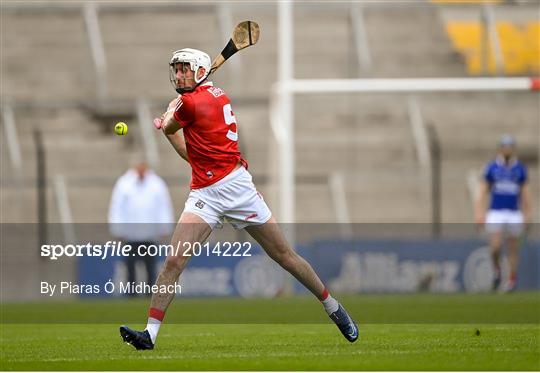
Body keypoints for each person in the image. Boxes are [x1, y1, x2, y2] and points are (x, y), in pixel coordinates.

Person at [119, 48, 358, 349]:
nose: (179, 75)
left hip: (237, 189)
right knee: (173, 261)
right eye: (176, 70)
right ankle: (150, 333)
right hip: (205, 192)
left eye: (185, 69)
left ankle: (332, 306)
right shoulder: (208, 97)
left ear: (201, 72)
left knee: (284, 256)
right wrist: (172, 123)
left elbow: (171, 125)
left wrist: (168, 120)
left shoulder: (192, 104)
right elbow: (194, 158)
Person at [108, 159, 174, 296]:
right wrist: (117, 228)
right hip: (130, 235)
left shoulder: (157, 184)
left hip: (150, 234)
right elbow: (117, 207)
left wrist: (165, 227)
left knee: (150, 266)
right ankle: (131, 294)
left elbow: (163, 207)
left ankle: (150, 294)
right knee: (130, 265)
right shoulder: (124, 183)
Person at [474, 135, 531, 292]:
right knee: (495, 247)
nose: (507, 149)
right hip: (496, 211)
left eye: (510, 146)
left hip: (514, 213)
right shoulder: (492, 167)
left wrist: (527, 214)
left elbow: (525, 193)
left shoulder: (520, 169)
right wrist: (479, 212)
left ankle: (512, 279)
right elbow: (483, 191)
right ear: (500, 148)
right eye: (504, 146)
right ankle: (497, 272)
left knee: (513, 248)